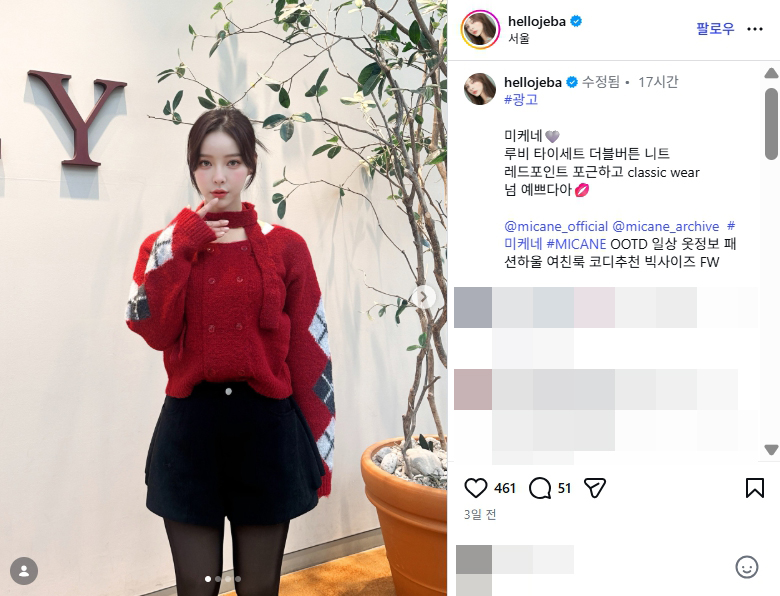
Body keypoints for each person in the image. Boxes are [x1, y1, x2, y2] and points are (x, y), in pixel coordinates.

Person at [125, 107, 335, 596]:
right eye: (205, 163)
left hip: (266, 432)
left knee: (258, 588)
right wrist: (182, 246)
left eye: (232, 162)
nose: (218, 176)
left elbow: (310, 353)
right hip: (190, 432)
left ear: (250, 167)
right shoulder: (163, 245)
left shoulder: (287, 246)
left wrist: (319, 452)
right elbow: (149, 327)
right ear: (192, 168)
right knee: (196, 587)